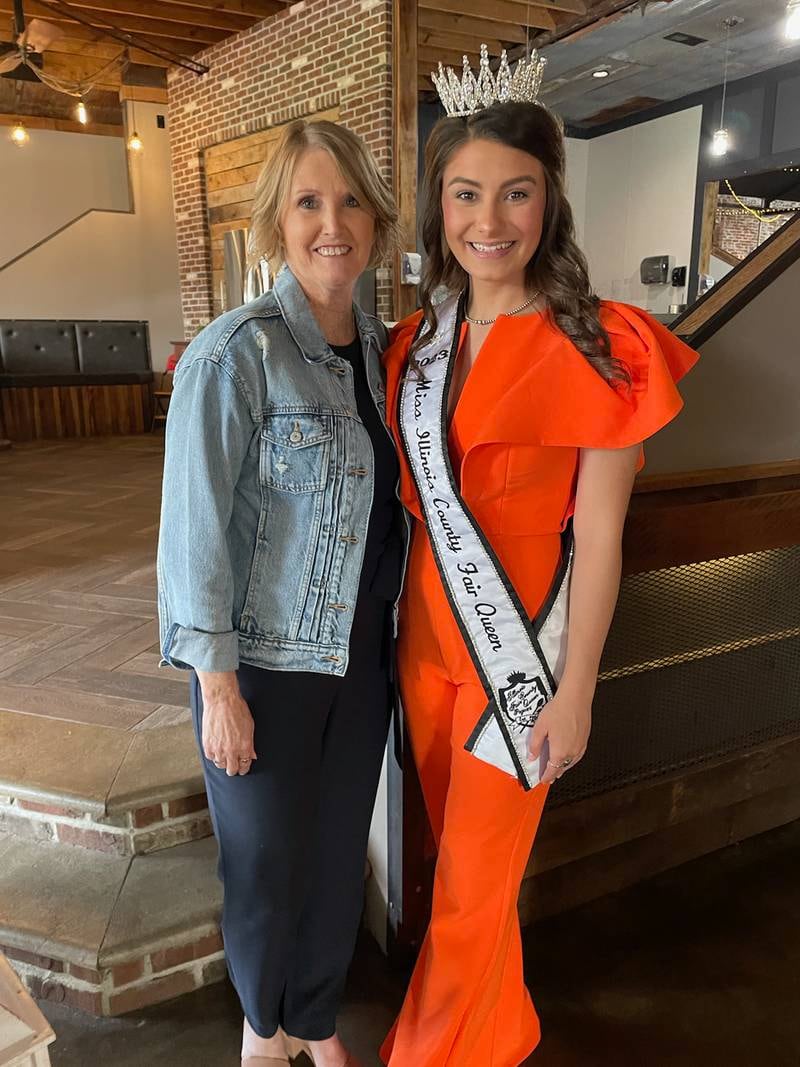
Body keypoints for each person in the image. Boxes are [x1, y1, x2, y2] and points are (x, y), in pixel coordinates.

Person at [378, 86, 699, 1066]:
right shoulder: (414, 345)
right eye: (465, 194)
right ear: (439, 206)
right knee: (462, 874)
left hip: (522, 655)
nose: (487, 220)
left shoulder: (606, 346)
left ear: (548, 203)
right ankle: (500, 1030)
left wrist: (574, 691)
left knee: (475, 887)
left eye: (514, 194)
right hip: (423, 647)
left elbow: (599, 543)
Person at [157, 118, 405, 1067]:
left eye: (350, 201)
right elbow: (192, 535)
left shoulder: (389, 358)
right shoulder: (234, 354)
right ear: (276, 223)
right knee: (264, 865)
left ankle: (313, 1017)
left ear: (377, 222)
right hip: (261, 666)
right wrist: (216, 688)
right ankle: (264, 1035)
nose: (331, 223)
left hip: (361, 662)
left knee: (341, 858)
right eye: (308, 201)